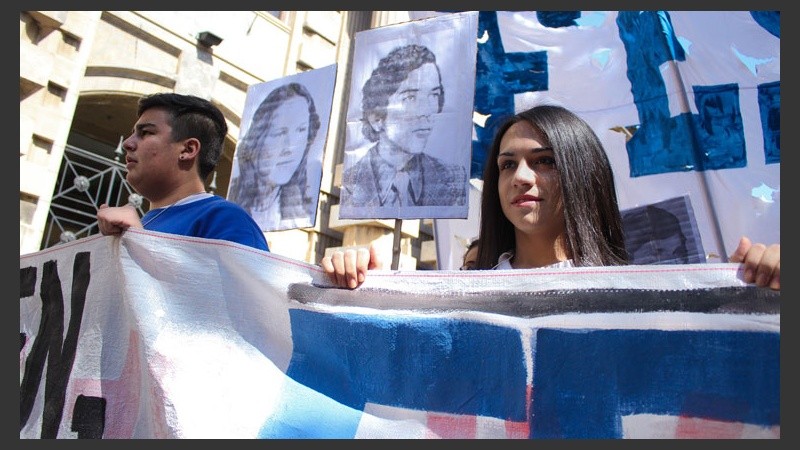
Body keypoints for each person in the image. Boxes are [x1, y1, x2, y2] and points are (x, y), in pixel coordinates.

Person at [321, 105, 779, 290]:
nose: (521, 176)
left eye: (544, 161)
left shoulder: (643, 292)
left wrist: (769, 286)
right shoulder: (462, 293)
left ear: (583, 173)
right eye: (507, 164)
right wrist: (368, 290)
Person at [96, 92, 270, 251]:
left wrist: (139, 241)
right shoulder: (143, 223)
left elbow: (246, 286)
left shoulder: (228, 220)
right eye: (133, 133)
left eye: (146, 133)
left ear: (188, 149)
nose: (128, 143)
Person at [340, 44, 467, 212]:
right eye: (410, 97)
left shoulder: (453, 179)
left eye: (434, 95)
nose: (427, 111)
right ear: (376, 118)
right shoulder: (351, 182)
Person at [228, 82, 321, 231]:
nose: (290, 148)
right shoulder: (230, 202)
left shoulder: (303, 211)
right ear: (258, 137)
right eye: (279, 133)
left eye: (301, 130)